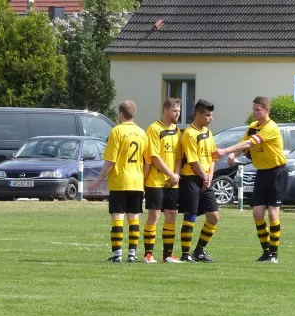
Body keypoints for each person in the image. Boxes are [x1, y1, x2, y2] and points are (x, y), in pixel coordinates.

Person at [214, 96, 286, 263]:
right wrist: (232, 154)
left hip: (276, 172)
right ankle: (266, 252)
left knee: (273, 214)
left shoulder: (271, 128)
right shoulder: (253, 127)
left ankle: (274, 254)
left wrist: (225, 151)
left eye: (257, 109)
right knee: (257, 213)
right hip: (262, 173)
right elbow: (243, 143)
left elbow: (251, 143)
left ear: (266, 110)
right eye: (253, 109)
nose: (254, 112)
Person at [89, 100, 149, 263]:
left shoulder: (116, 131)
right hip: (136, 181)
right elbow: (148, 161)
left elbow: (110, 160)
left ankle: (117, 255)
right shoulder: (142, 133)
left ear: (121, 114)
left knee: (118, 216)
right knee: (134, 217)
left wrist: (99, 179)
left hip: (120, 180)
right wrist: (142, 179)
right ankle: (132, 254)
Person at [177, 99, 219, 263]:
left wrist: (210, 175)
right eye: (208, 115)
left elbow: (213, 156)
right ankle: (185, 254)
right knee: (191, 216)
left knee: (213, 216)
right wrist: (204, 176)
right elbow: (193, 161)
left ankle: (199, 251)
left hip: (205, 179)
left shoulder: (208, 133)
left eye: (211, 115)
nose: (211, 118)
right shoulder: (189, 133)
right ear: (198, 114)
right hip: (191, 179)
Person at [142, 98, 184, 264]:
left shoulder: (176, 130)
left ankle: (168, 255)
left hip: (172, 181)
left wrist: (176, 175)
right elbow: (154, 157)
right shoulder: (154, 129)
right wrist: (170, 174)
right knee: (154, 215)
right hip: (156, 180)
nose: (178, 114)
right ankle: (148, 254)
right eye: (175, 111)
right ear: (166, 111)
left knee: (172, 215)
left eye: (179, 111)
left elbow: (179, 157)